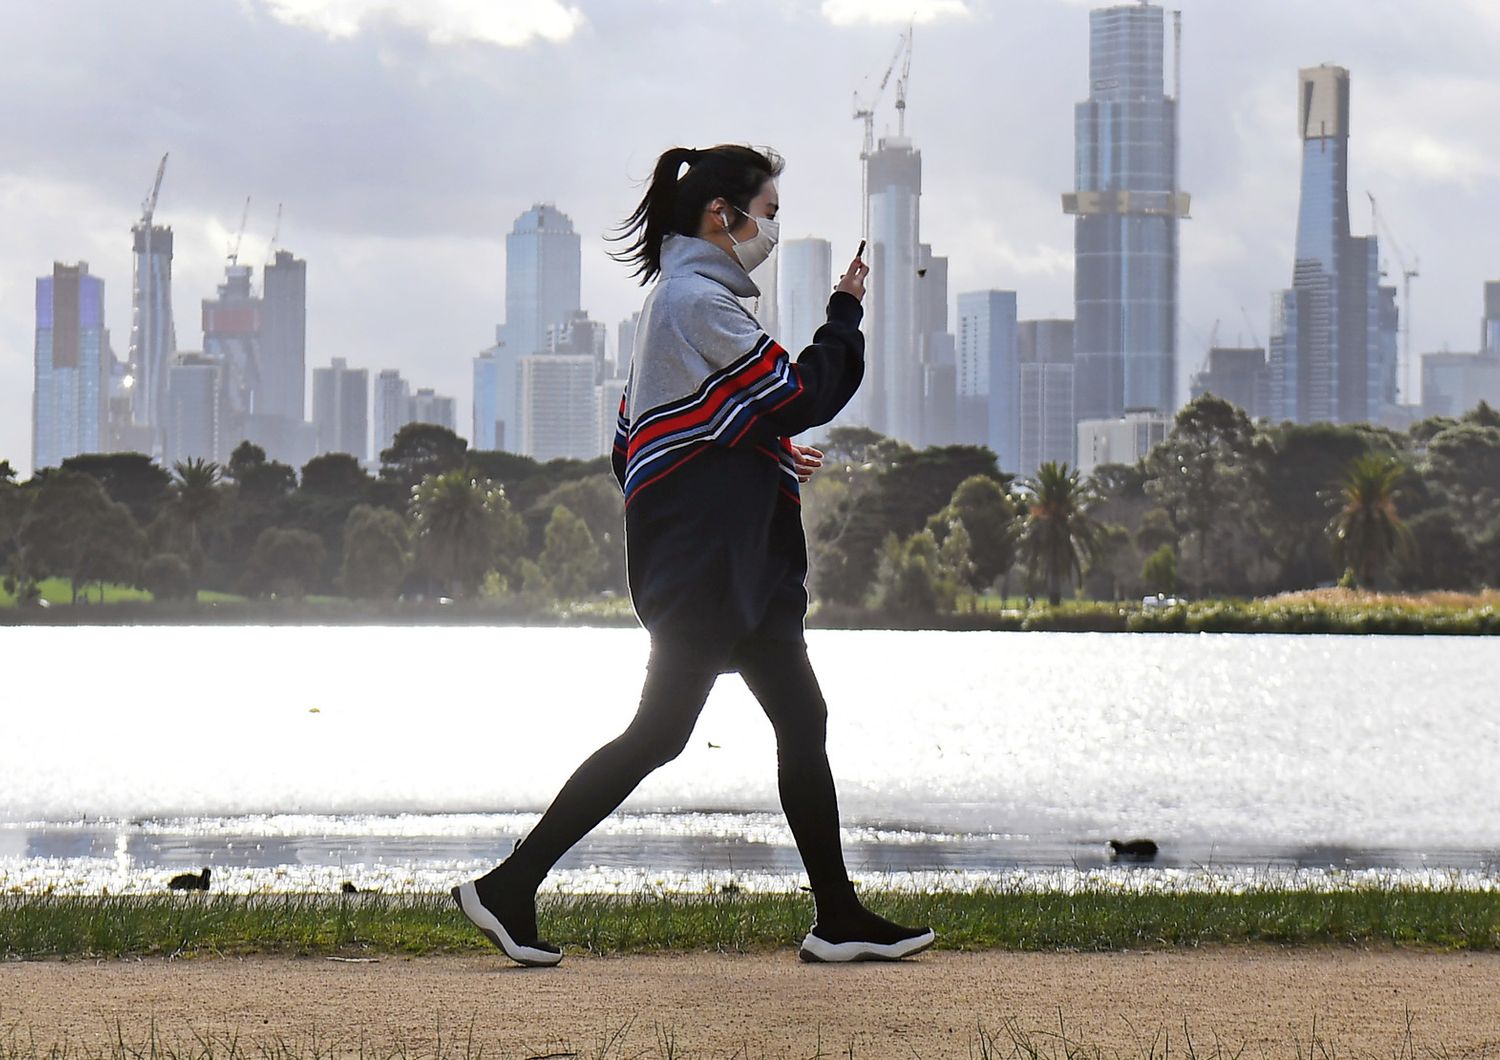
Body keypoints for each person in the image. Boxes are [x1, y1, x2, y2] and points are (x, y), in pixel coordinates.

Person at [452, 143, 934, 967]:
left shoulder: (685, 299)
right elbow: (797, 395)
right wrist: (844, 312)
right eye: (769, 215)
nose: (771, 231)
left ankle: (839, 916)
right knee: (659, 736)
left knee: (799, 721)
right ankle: (506, 887)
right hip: (713, 574)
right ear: (725, 215)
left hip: (740, 571)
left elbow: (651, 436)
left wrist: (767, 453)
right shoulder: (694, 300)